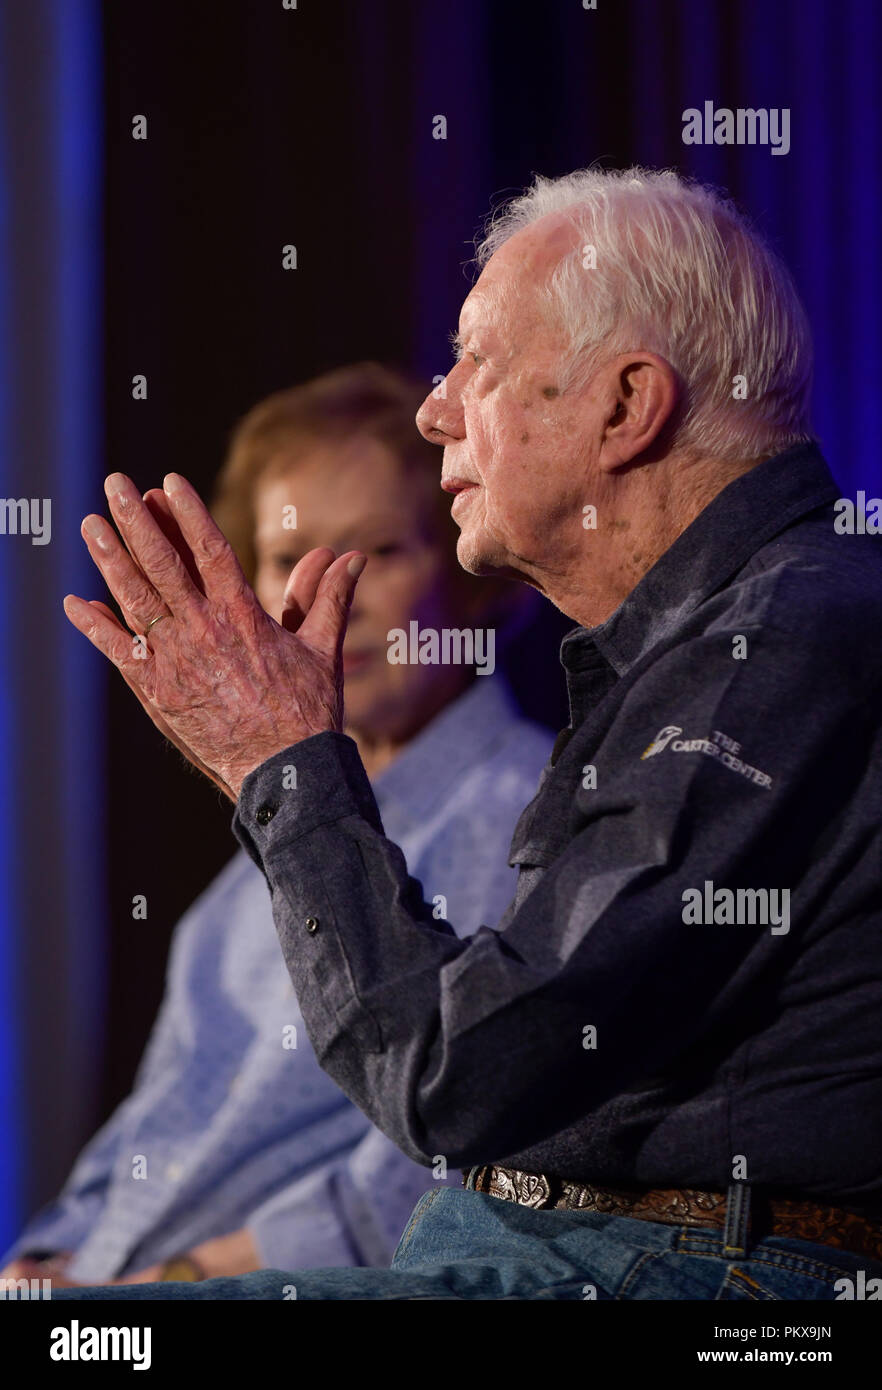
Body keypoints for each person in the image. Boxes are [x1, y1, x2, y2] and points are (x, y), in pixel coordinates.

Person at [57, 167, 882, 1301]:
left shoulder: (781, 636)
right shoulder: (710, 641)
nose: (435, 407)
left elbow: (460, 1077)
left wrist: (277, 763)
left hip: (684, 1279)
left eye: (478, 363)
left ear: (626, 405)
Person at [2, 364, 553, 1288]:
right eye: (283, 559)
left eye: (375, 551)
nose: (329, 598)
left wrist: (155, 1290)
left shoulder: (524, 811)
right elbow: (147, 1137)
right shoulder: (236, 886)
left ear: (466, 575)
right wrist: (37, 1262)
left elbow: (440, 1175)